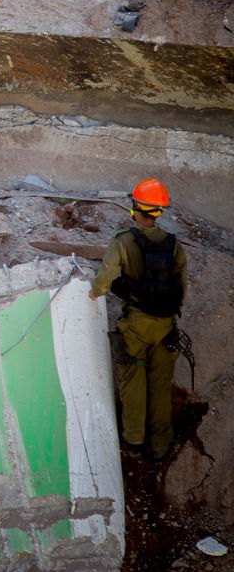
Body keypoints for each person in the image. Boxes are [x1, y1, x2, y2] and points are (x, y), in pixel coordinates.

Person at [88, 178, 187, 459]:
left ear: (136, 207)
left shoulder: (124, 240)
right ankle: (159, 446)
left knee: (133, 380)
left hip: (136, 325)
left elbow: (105, 277)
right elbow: (182, 287)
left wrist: (94, 294)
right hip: (167, 325)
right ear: (159, 211)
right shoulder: (173, 244)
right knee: (160, 385)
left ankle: (133, 441)